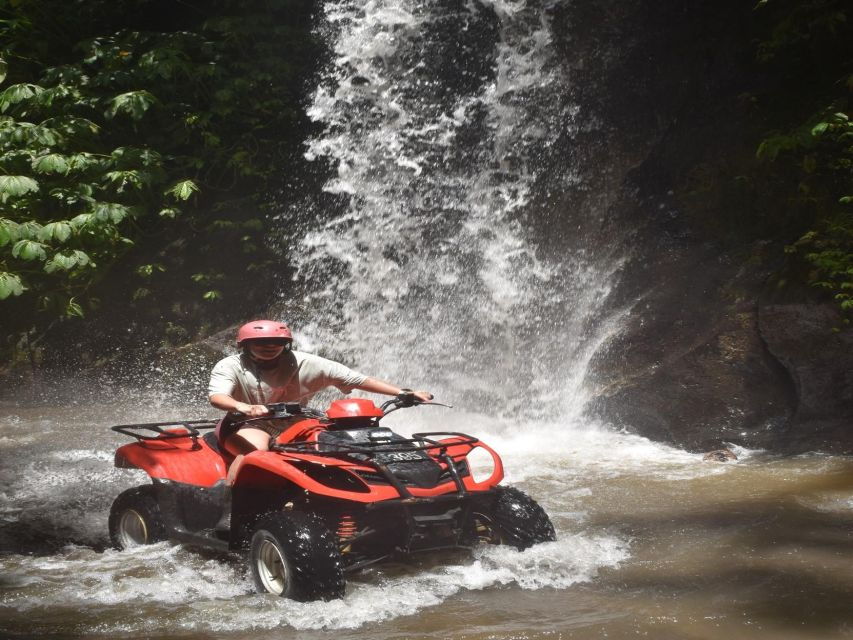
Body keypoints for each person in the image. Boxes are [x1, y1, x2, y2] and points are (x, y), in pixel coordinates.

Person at [209, 319, 433, 460]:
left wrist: (403, 393)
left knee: (342, 448)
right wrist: (244, 407)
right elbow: (217, 396)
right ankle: (232, 502)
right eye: (261, 343)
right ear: (245, 345)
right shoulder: (230, 365)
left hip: (298, 422)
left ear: (286, 344)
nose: (270, 347)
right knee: (258, 456)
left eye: (276, 342)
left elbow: (356, 379)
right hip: (247, 423)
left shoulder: (307, 362)